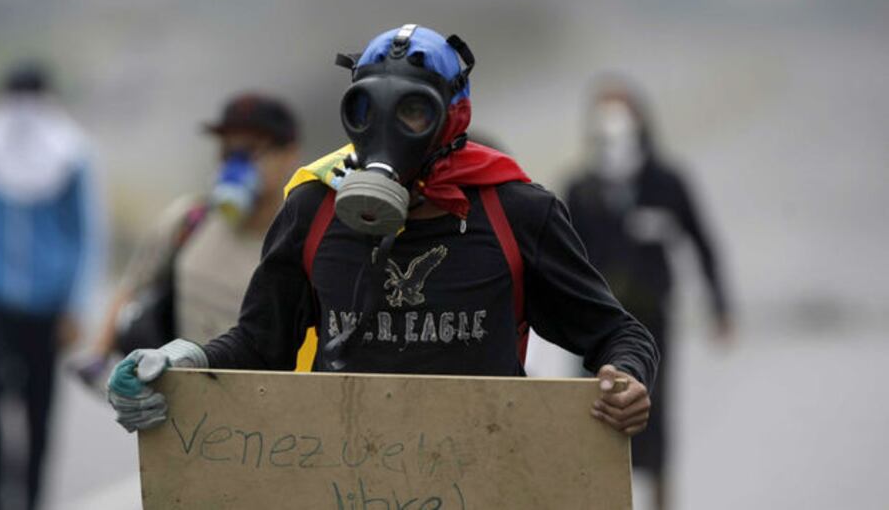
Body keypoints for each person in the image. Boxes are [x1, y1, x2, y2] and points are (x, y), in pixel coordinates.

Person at [106, 26, 659, 443]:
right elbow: (261, 344)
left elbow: (618, 334)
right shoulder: (313, 208)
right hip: (343, 473)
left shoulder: (515, 212)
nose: (388, 132)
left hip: (482, 472)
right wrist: (183, 362)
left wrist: (627, 378)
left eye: (415, 112)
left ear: (454, 117)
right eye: (367, 109)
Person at [563, 74, 733, 510]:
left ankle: (661, 502)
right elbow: (556, 258)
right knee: (590, 420)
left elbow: (702, 241)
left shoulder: (666, 182)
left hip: (650, 319)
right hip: (591, 323)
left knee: (652, 418)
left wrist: (720, 306)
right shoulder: (580, 188)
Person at [0, 63, 105, 510]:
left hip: (46, 305)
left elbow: (87, 234)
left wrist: (76, 306)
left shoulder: (72, 156)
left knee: (39, 409)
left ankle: (32, 498)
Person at [77, 92, 302, 384]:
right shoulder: (189, 220)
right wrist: (99, 357)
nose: (234, 163)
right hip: (186, 400)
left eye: (248, 151)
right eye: (226, 151)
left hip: (266, 403)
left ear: (289, 156)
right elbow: (133, 286)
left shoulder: (300, 236)